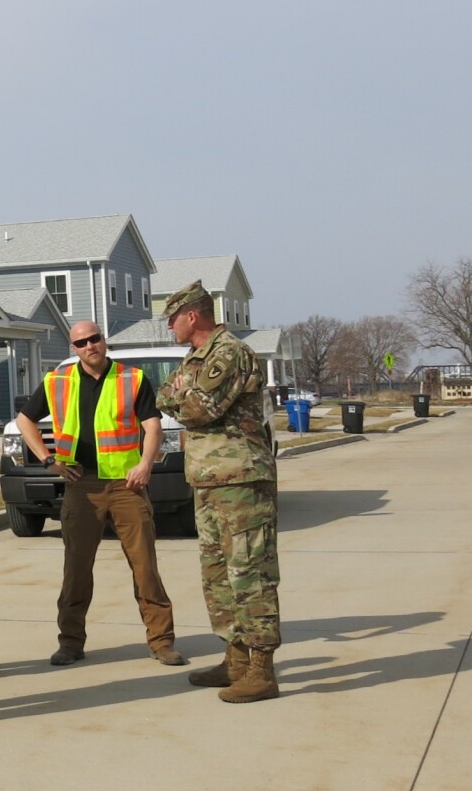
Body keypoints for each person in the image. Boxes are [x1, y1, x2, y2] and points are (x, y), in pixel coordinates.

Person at [15, 320, 184, 667]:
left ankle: (162, 641)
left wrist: (146, 464)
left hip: (127, 486)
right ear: (73, 348)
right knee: (76, 569)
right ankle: (70, 643)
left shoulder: (131, 379)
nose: (89, 346)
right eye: (81, 343)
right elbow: (24, 420)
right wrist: (48, 461)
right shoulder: (57, 380)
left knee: (145, 567)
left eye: (94, 339)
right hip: (81, 486)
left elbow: (152, 425)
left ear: (103, 341)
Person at [157, 280, 281, 703]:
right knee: (217, 576)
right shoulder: (196, 359)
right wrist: (179, 395)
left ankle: (262, 669)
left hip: (240, 479)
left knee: (250, 573)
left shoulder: (229, 353)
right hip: (208, 480)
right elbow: (164, 395)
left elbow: (197, 408)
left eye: (173, 318)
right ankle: (236, 659)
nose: (169, 326)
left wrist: (180, 396)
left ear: (192, 316)